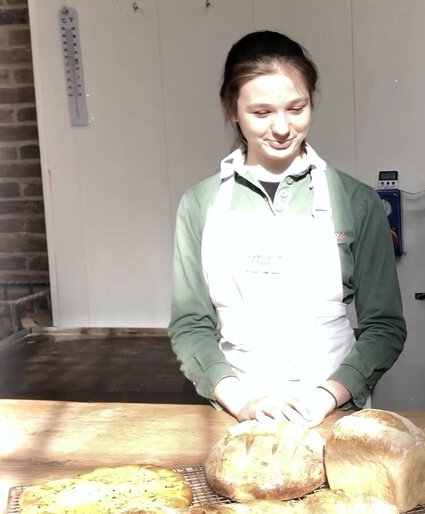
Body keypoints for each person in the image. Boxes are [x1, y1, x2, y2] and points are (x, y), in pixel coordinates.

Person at [168, 30, 406, 428]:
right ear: (232, 108)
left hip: (334, 415)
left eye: (297, 108)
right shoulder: (200, 204)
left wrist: (325, 396)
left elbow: (385, 326)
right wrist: (240, 400)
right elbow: (191, 324)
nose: (282, 128)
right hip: (236, 416)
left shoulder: (356, 201)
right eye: (261, 113)